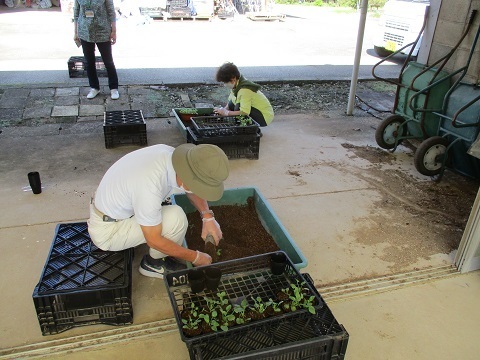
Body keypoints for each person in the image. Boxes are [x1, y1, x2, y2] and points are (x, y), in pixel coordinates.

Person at [87, 144, 230, 278]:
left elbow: (189, 185)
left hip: (115, 207)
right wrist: (196, 257)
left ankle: (148, 228)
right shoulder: (150, 187)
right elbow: (154, 240)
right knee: (176, 219)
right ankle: (153, 264)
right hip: (109, 231)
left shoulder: (171, 157)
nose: (200, 192)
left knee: (173, 191)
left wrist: (207, 217)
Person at [73, 0, 120, 100]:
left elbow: (111, 12)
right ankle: (94, 87)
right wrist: (75, 32)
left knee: (108, 61)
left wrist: (114, 31)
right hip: (85, 32)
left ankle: (114, 88)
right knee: (89, 62)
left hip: (102, 31)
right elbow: (76, 13)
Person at [214, 62, 274, 127]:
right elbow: (232, 102)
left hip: (263, 117)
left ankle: (253, 129)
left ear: (233, 79)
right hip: (258, 112)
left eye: (225, 82)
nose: (224, 84)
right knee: (232, 104)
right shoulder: (238, 83)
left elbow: (244, 112)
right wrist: (222, 111)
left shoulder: (244, 90)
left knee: (237, 108)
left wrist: (226, 113)